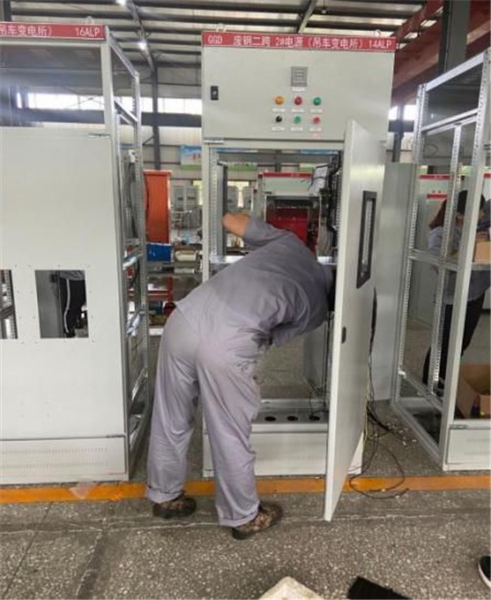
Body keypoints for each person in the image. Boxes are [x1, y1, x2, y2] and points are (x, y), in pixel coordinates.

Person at [147, 214, 333, 539]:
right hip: (226, 344)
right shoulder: (316, 309)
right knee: (229, 431)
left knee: (171, 416)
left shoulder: (290, 244)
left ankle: (165, 496)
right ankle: (242, 516)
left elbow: (230, 220)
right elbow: (271, 336)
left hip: (184, 318)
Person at [422, 191, 490, 387]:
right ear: (460, 214)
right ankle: (430, 384)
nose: (482, 215)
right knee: (443, 344)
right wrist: (471, 244)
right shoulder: (440, 234)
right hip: (452, 299)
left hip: (475, 295)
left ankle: (446, 381)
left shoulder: (477, 228)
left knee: (462, 342)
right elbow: (441, 264)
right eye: (478, 211)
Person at [57, 270, 87, 338]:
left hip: (83, 276)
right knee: (70, 307)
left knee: (79, 305)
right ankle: (69, 333)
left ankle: (75, 327)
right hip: (70, 276)